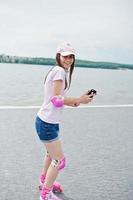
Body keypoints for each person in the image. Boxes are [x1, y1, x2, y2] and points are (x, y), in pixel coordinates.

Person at [35, 42, 94, 200]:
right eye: (65, 56)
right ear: (58, 56)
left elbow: (57, 99)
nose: (69, 59)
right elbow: (56, 100)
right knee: (59, 161)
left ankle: (44, 182)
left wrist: (78, 101)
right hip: (47, 123)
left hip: (47, 121)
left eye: (71, 56)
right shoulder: (60, 71)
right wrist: (79, 99)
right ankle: (45, 194)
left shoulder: (57, 71)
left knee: (50, 155)